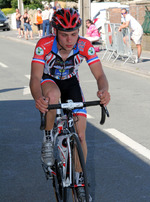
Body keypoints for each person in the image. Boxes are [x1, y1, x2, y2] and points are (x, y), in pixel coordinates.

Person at [30, 8, 110, 198]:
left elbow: (100, 75)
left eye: (74, 34)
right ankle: (48, 140)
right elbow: (34, 77)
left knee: (80, 136)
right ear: (55, 31)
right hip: (48, 80)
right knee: (53, 95)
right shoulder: (44, 44)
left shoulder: (84, 45)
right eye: (64, 35)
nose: (69, 40)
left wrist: (104, 91)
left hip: (72, 83)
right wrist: (37, 98)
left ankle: (80, 181)